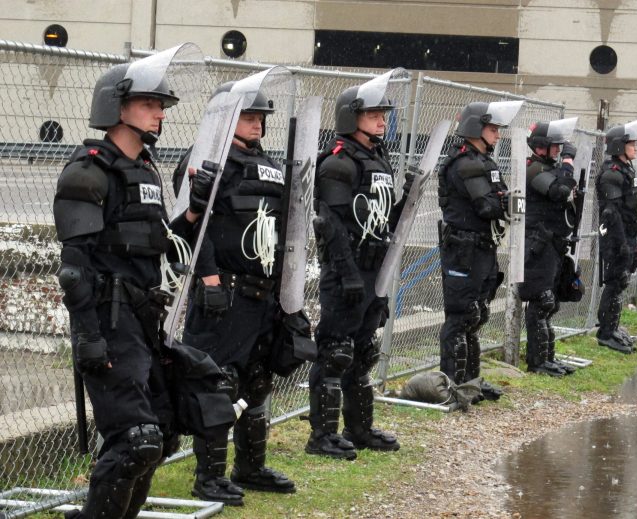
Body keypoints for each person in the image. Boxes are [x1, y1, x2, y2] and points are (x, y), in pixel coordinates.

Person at [55, 49, 213, 519]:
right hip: (109, 321)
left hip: (145, 322)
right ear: (117, 107)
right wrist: (88, 336)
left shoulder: (145, 169)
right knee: (134, 441)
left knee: (159, 437)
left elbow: (162, 244)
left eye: (161, 105)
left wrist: (191, 214)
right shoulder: (89, 171)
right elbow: (74, 269)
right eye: (149, 103)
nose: (160, 112)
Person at [174, 78, 299, 505]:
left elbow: (284, 232)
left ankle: (251, 466)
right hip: (222, 291)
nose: (258, 125)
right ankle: (208, 477)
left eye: (261, 118)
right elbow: (191, 226)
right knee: (218, 382)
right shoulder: (206, 160)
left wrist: (288, 293)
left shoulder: (270, 165)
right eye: (248, 117)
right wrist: (207, 278)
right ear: (226, 119)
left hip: (262, 292)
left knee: (257, 381)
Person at [306, 71, 408, 460]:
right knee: (335, 351)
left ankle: (359, 427)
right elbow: (330, 221)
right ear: (352, 116)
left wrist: (407, 201)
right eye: (373, 113)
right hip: (345, 268)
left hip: (374, 267)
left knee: (363, 350)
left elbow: (380, 217)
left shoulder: (376, 158)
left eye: (383, 112)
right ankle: (321, 435)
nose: (382, 119)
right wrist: (346, 272)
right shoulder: (338, 162)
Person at [437, 101, 521, 388]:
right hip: (464, 248)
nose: (498, 135)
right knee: (461, 316)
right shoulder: (465, 162)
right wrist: (505, 203)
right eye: (493, 128)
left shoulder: (484, 161)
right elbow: (488, 205)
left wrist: (505, 202)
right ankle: (452, 384)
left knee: (477, 314)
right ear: (476, 128)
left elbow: (504, 199)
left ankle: (470, 381)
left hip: (484, 246)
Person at [518, 118, 579, 377]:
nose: (559, 150)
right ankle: (537, 361)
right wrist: (567, 165)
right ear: (541, 146)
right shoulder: (533, 169)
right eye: (555, 146)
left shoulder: (547, 167)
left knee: (551, 302)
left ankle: (547, 357)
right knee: (541, 301)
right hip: (537, 243)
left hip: (553, 242)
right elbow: (557, 191)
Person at [595, 117, 637, 354]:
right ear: (619, 146)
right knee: (614, 282)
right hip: (617, 237)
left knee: (621, 283)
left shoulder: (626, 169)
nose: (636, 147)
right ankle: (605, 333)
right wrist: (620, 243)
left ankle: (613, 327)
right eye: (631, 144)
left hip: (628, 233)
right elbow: (611, 212)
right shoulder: (612, 172)